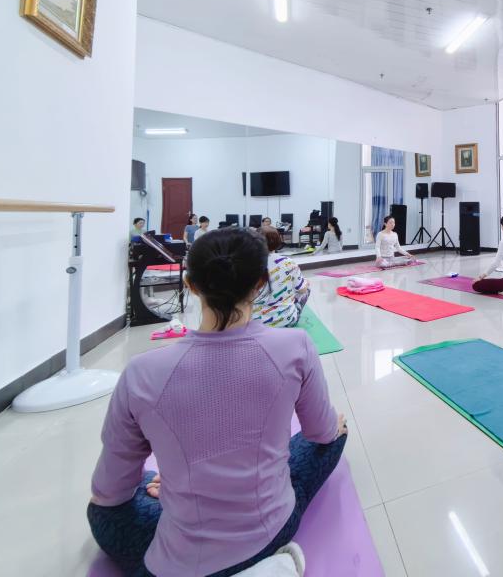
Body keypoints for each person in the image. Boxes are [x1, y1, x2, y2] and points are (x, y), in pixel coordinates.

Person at [87, 228, 348, 577]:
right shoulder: (296, 346)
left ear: (191, 285)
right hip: (273, 529)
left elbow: (108, 492)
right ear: (260, 283)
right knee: (335, 433)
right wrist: (332, 426)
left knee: (104, 509)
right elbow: (320, 434)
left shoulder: (141, 372)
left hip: (176, 564)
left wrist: (177, 484)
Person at [253, 226, 310, 328]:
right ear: (278, 240)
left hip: (254, 324)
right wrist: (305, 283)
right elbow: (302, 290)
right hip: (286, 322)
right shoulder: (288, 262)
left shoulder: (247, 263)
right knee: (305, 287)